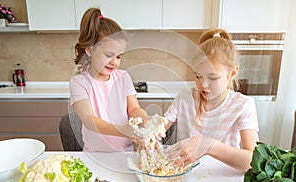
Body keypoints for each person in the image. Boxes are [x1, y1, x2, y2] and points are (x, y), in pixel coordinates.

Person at [164, 29, 259, 172]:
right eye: (198, 76)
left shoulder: (243, 105)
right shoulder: (185, 97)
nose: (204, 85)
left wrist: (208, 145)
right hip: (184, 174)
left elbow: (255, 163)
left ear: (232, 73)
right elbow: (160, 127)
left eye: (213, 78)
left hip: (222, 176)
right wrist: (149, 134)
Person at [69, 8, 150, 152]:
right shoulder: (79, 83)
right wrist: (124, 130)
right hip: (95, 156)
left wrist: (144, 119)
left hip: (125, 154)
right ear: (90, 50)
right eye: (108, 55)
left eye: (119, 57)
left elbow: (133, 108)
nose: (114, 62)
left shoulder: (123, 77)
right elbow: (89, 120)